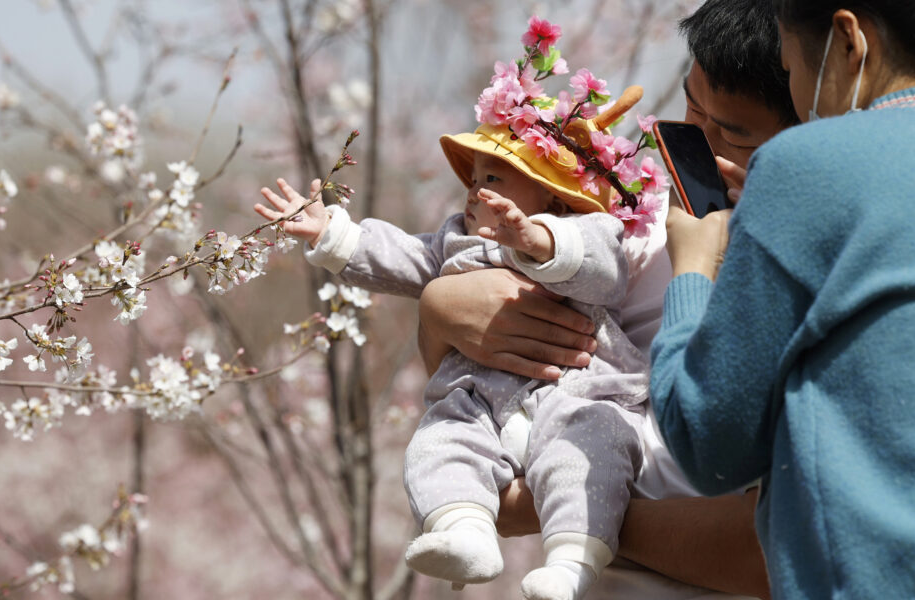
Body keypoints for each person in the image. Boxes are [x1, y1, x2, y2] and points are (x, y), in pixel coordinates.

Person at [416, 1, 799, 598]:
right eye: (690, 106)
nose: (695, 141)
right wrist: (440, 308)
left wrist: (557, 506)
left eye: (733, 132)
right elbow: (490, 380)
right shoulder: (639, 234)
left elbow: (765, 553)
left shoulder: (813, 275)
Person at [254, 98, 670, 598]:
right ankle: (464, 532)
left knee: (590, 454)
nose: (474, 191)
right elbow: (400, 254)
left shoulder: (582, 235)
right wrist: (333, 235)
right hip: (478, 403)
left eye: (494, 179)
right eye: (473, 179)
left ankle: (571, 562)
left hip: (576, 396)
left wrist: (537, 239)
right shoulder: (454, 243)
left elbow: (604, 269)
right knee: (438, 442)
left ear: (556, 200)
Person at [651, 0, 915, 596]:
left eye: (790, 68)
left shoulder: (810, 162)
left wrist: (693, 269)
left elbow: (708, 443)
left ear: (848, 40)